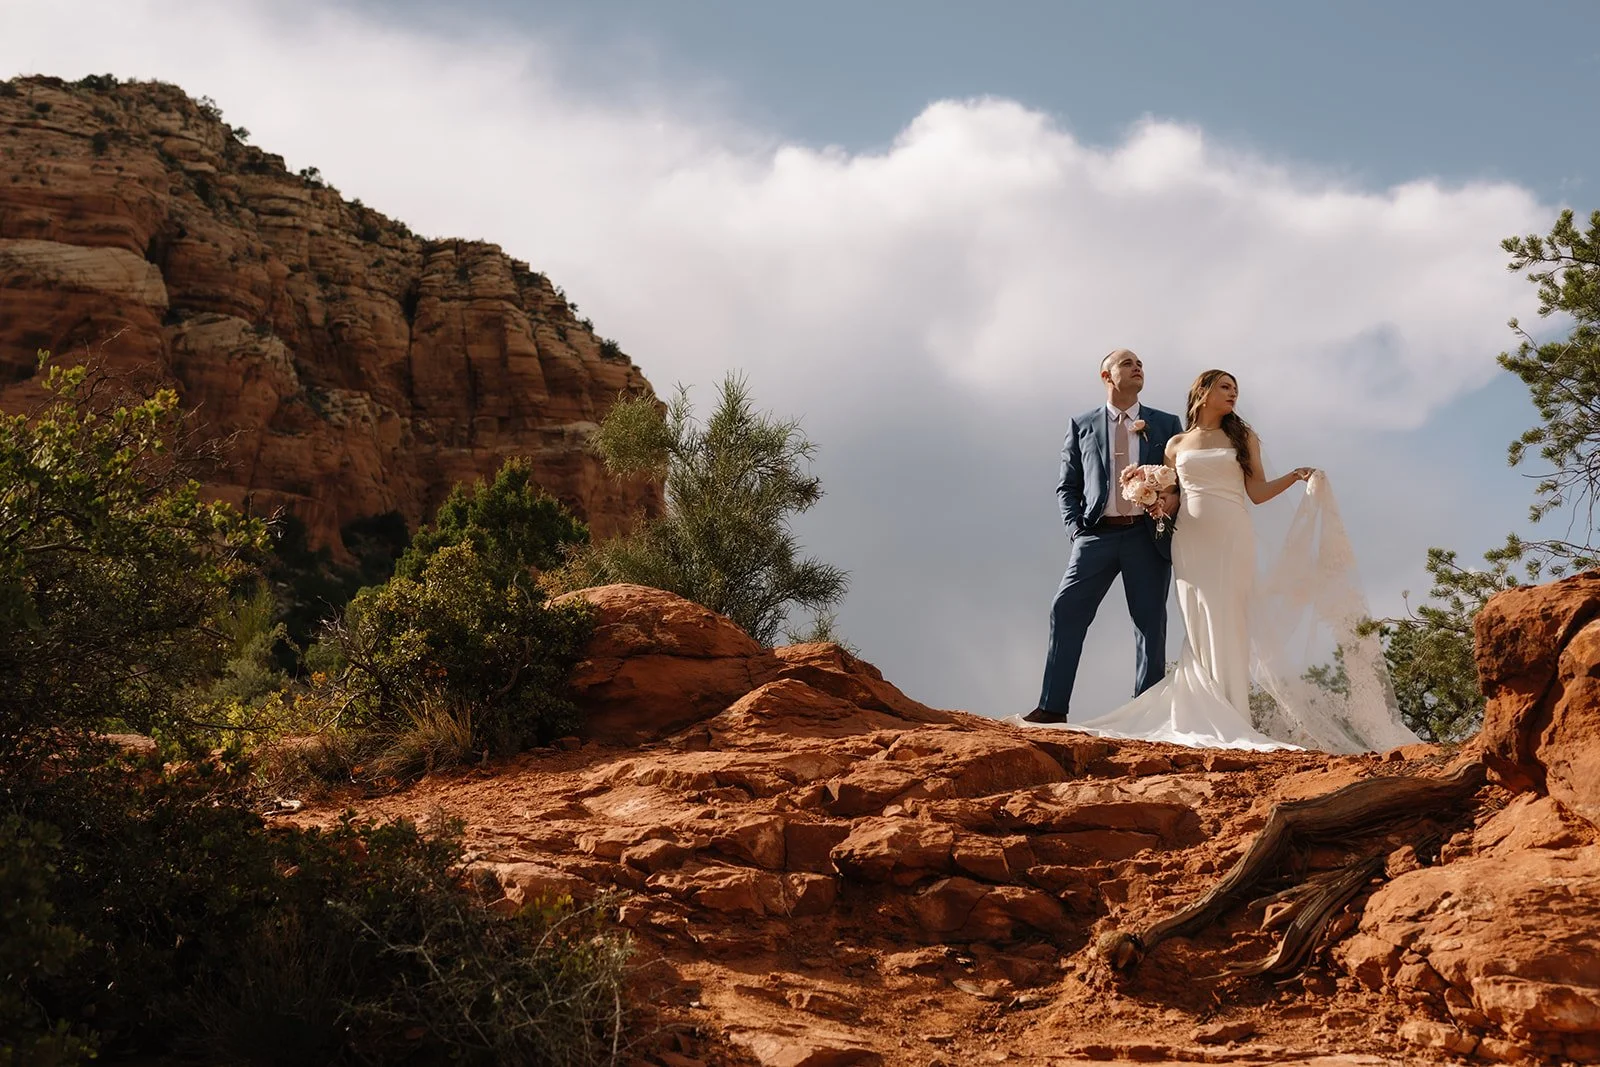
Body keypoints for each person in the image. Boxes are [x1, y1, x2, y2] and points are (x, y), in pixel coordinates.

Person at [1020, 368, 1419, 752]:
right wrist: (1153, 497)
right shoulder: (1175, 443)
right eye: (1225, 387)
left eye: (1235, 390)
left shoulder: (1242, 436)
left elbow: (1257, 492)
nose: (1233, 394)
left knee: (1228, 616)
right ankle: (1197, 705)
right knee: (1197, 619)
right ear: (1204, 391)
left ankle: (1231, 712)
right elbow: (1173, 495)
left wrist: (1296, 477)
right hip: (1189, 537)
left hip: (1231, 534)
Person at [1023, 349, 1183, 725]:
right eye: (1128, 363)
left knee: (1150, 623)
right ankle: (1052, 707)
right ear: (1106, 376)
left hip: (1147, 537)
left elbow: (1180, 482)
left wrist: (1167, 507)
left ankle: (1144, 714)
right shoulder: (1081, 424)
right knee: (1065, 609)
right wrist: (1076, 529)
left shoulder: (1165, 422)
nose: (1138, 367)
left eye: (1141, 362)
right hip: (1096, 535)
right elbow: (1068, 485)